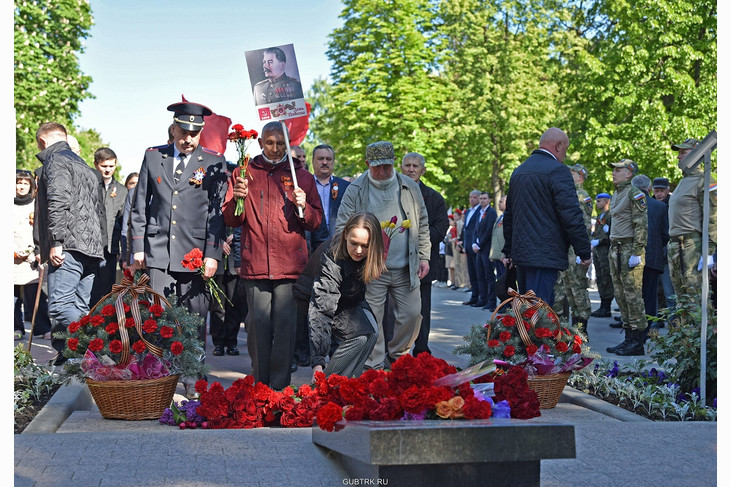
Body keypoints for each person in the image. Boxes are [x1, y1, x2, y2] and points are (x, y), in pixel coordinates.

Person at [129, 102, 228, 385]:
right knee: (158, 317)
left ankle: (192, 377)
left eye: (194, 134)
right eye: (183, 132)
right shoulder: (153, 157)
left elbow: (216, 214)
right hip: (158, 251)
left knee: (194, 319)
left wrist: (212, 254)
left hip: (194, 253)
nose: (188, 139)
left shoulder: (214, 162)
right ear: (173, 129)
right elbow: (140, 206)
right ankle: (161, 379)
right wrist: (138, 247)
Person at [223, 121, 323, 390]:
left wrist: (304, 207)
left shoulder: (302, 176)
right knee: (256, 328)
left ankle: (279, 388)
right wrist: (237, 199)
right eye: (270, 142)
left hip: (290, 267)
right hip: (255, 263)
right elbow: (232, 219)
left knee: (286, 330)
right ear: (260, 143)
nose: (276, 148)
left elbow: (315, 222)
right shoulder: (244, 173)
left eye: (281, 143)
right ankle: (260, 384)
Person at [334, 141, 430, 370]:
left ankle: (397, 356)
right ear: (367, 164)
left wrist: (424, 256)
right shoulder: (356, 189)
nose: (382, 171)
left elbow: (422, 222)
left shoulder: (409, 186)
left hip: (406, 267)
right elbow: (342, 228)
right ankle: (373, 367)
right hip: (371, 269)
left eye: (387, 166)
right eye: (377, 167)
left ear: (394, 163)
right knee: (372, 320)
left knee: (412, 314)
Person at [34, 122, 106, 365]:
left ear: (42, 141)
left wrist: (56, 241)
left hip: (69, 246)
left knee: (60, 306)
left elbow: (57, 200)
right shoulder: (84, 165)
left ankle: (102, 344)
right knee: (79, 306)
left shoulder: (55, 160)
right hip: (91, 248)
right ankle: (77, 363)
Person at [501, 127, 592, 306]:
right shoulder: (558, 171)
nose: (564, 156)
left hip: (522, 255)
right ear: (558, 146)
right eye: (565, 150)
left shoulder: (519, 171)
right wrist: (583, 250)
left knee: (527, 308)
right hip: (545, 254)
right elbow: (571, 214)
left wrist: (509, 251)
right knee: (541, 312)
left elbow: (509, 215)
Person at [309, 212, 386, 379]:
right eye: (354, 243)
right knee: (357, 339)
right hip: (320, 298)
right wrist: (318, 361)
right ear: (345, 236)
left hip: (350, 299)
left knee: (372, 335)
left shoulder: (370, 254)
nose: (359, 251)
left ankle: (350, 385)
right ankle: (324, 385)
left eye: (365, 246)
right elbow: (322, 308)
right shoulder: (331, 255)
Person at [399, 152, 448, 356]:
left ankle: (421, 349)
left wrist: (418, 242)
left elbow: (442, 226)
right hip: (396, 261)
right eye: (407, 165)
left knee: (421, 309)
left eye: (415, 166)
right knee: (398, 310)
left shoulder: (434, 197)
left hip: (423, 263)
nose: (411, 169)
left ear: (423, 170)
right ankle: (397, 351)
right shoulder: (391, 193)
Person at [604, 159, 648, 356]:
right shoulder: (617, 193)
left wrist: (637, 252)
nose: (614, 173)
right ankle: (628, 338)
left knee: (632, 296)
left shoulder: (634, 193)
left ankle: (637, 341)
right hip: (616, 249)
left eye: (618, 170)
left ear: (629, 173)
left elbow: (641, 224)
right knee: (621, 296)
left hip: (629, 248)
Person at [667, 138, 717, 302]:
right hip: (676, 245)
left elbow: (714, 217)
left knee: (694, 299)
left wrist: (709, 252)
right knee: (682, 299)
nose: (679, 157)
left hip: (691, 246)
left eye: (683, 152)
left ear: (697, 155)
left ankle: (700, 328)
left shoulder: (704, 180)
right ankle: (685, 328)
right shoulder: (684, 181)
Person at [553, 163, 593, 335]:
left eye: (572, 173)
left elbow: (583, 226)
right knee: (565, 289)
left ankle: (581, 331)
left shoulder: (581, 196)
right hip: (565, 249)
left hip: (574, 251)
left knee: (577, 289)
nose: (568, 175)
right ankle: (569, 330)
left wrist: (581, 250)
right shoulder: (568, 193)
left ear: (581, 177)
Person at [14, 170, 52, 340]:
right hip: (12, 254)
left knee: (35, 294)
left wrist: (36, 250)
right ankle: (16, 327)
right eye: (18, 183)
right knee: (12, 296)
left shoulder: (36, 203)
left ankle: (42, 328)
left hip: (31, 256)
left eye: (25, 183)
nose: (21, 187)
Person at [631, 174, 669, 343]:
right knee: (650, 296)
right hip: (653, 257)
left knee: (633, 295)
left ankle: (635, 332)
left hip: (632, 257)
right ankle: (648, 330)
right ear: (649, 188)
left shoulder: (629, 202)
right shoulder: (660, 207)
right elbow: (665, 234)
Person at [90, 148, 128, 306]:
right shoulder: (88, 187)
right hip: (90, 248)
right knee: (90, 289)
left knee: (106, 290)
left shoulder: (121, 191)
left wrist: (122, 249)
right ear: (96, 165)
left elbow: (123, 222)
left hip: (111, 249)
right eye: (104, 166)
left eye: (111, 166)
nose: (108, 170)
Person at [309, 144, 351, 252]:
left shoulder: (345, 187)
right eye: (320, 159)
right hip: (311, 247)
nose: (324, 162)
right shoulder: (304, 185)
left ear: (333, 162)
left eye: (328, 159)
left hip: (339, 246)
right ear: (313, 161)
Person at [652, 177, 674, 316]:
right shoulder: (650, 204)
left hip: (667, 251)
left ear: (668, 190)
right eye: (657, 191)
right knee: (653, 291)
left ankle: (672, 324)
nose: (659, 194)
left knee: (669, 292)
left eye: (662, 191)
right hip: (654, 252)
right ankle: (654, 322)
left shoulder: (673, 204)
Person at [590, 192, 615, 318]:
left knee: (606, 278)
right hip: (598, 252)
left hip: (605, 252)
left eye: (599, 201)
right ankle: (602, 306)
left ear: (607, 202)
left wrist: (600, 241)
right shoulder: (600, 216)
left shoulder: (610, 216)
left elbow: (612, 236)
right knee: (600, 278)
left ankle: (606, 307)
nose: (597, 203)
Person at [473, 192, 497, 310]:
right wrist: (474, 243)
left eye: (484, 198)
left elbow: (488, 231)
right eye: (480, 198)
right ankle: (482, 299)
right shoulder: (479, 212)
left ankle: (492, 301)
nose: (482, 200)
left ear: (489, 200)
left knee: (489, 276)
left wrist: (479, 245)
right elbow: (475, 229)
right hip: (478, 249)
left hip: (486, 249)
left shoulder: (491, 213)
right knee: (480, 275)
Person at [460, 189, 482, 305]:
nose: (472, 199)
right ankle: (474, 296)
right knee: (472, 273)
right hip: (468, 246)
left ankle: (481, 297)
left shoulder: (480, 211)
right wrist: (464, 244)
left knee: (479, 273)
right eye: (470, 197)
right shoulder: (468, 211)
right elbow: (466, 229)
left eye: (474, 197)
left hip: (476, 246)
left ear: (478, 198)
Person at [489, 195, 507, 282]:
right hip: (497, 255)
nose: (498, 204)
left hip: (503, 255)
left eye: (501, 202)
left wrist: (504, 254)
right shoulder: (499, 217)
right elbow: (495, 236)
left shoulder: (509, 218)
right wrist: (492, 253)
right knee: (499, 279)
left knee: (505, 280)